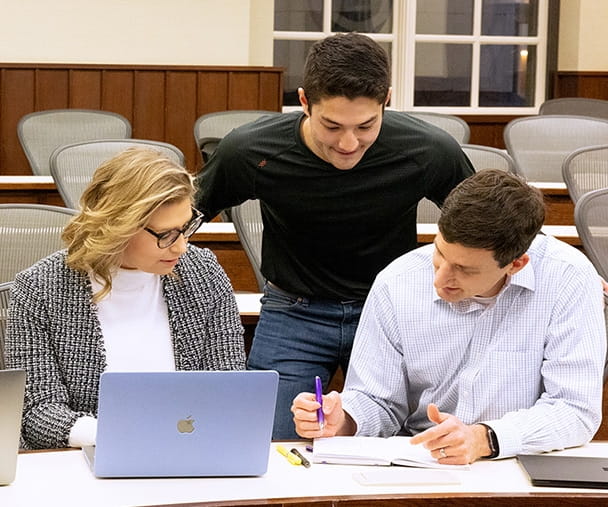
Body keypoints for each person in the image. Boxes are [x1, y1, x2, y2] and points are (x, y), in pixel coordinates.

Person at [195, 32, 474, 439]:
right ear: (304, 102)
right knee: (268, 443)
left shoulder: (428, 150)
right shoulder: (252, 150)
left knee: (410, 443)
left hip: (389, 314)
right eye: (332, 125)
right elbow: (185, 215)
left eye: (366, 125)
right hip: (294, 312)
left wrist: (573, 273)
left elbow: (490, 223)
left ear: (387, 101)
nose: (348, 143)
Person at [292, 169, 606, 464]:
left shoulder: (569, 279)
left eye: (465, 270)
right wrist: (343, 419)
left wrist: (483, 439)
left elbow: (574, 410)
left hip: (519, 461)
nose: (441, 279)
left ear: (517, 264)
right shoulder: (397, 280)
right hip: (420, 460)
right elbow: (379, 401)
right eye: (440, 253)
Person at [6, 148, 246, 450]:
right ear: (117, 226)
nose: (181, 247)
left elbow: (229, 387)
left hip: (190, 455)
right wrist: (124, 437)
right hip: (83, 465)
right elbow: (37, 413)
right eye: (167, 235)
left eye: (186, 228)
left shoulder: (204, 273)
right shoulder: (40, 288)